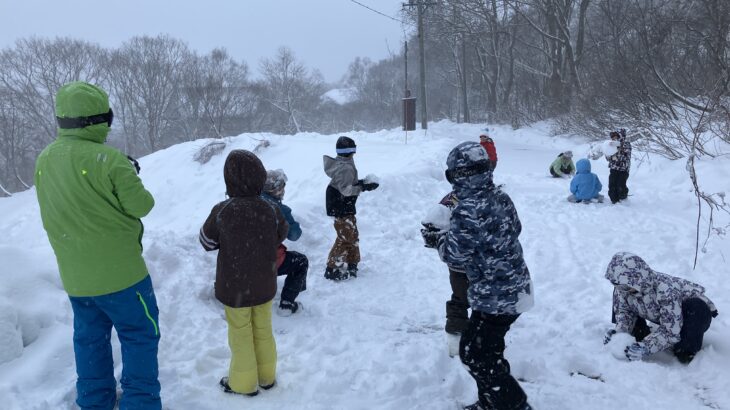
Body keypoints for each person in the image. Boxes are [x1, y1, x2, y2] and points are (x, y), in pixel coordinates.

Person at [34, 81, 161, 409]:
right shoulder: (111, 160)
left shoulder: (45, 160)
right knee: (139, 336)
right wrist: (131, 175)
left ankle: (94, 401)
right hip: (124, 277)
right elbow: (142, 206)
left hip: (77, 278)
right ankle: (141, 403)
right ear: (100, 119)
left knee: (90, 341)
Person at [437, 141, 534, 410]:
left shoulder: (467, 209)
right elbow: (516, 228)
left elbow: (455, 257)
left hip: (495, 296)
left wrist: (438, 239)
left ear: (459, 174)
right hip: (514, 288)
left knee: (474, 353)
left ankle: (515, 406)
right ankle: (491, 403)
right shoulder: (500, 196)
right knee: (488, 350)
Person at [199, 150, 288, 396]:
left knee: (240, 335)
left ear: (229, 181)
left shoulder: (223, 209)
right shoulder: (270, 209)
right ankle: (267, 377)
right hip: (264, 284)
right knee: (263, 330)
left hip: (235, 286)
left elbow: (206, 242)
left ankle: (243, 384)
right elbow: (281, 234)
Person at [603, 252, 719, 364]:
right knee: (634, 328)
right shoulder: (624, 288)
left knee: (683, 353)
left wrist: (646, 347)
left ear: (637, 280)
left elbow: (670, 331)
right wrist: (619, 332)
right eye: (616, 285)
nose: (621, 289)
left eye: (623, 286)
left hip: (692, 313)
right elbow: (624, 312)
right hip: (660, 312)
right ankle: (641, 334)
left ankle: (686, 349)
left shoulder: (666, 290)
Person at [421, 191, 470, 357]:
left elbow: (435, 228)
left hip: (461, 265)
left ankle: (459, 341)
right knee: (468, 298)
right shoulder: (454, 199)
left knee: (461, 299)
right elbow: (435, 223)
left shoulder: (453, 197)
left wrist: (438, 239)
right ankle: (458, 342)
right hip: (469, 266)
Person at [323, 136, 379, 281]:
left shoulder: (343, 162)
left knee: (351, 233)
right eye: (353, 151)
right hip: (340, 204)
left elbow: (347, 183)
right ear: (350, 152)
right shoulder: (346, 167)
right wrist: (363, 187)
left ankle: (352, 262)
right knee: (345, 237)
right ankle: (332, 268)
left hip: (343, 204)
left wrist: (360, 183)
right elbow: (346, 190)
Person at [261, 169, 309, 315]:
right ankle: (287, 304)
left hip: (244, 262)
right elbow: (294, 235)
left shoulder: (251, 201)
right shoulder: (279, 209)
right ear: (276, 190)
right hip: (266, 262)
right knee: (301, 262)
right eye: (282, 187)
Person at [606, 129, 631, 204]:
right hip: (613, 169)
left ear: (620, 136)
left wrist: (618, 146)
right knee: (612, 184)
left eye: (616, 136)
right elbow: (608, 158)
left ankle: (623, 197)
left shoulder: (626, 144)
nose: (614, 138)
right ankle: (613, 199)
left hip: (623, 170)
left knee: (620, 185)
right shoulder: (611, 145)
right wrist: (608, 154)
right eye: (612, 137)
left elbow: (626, 155)